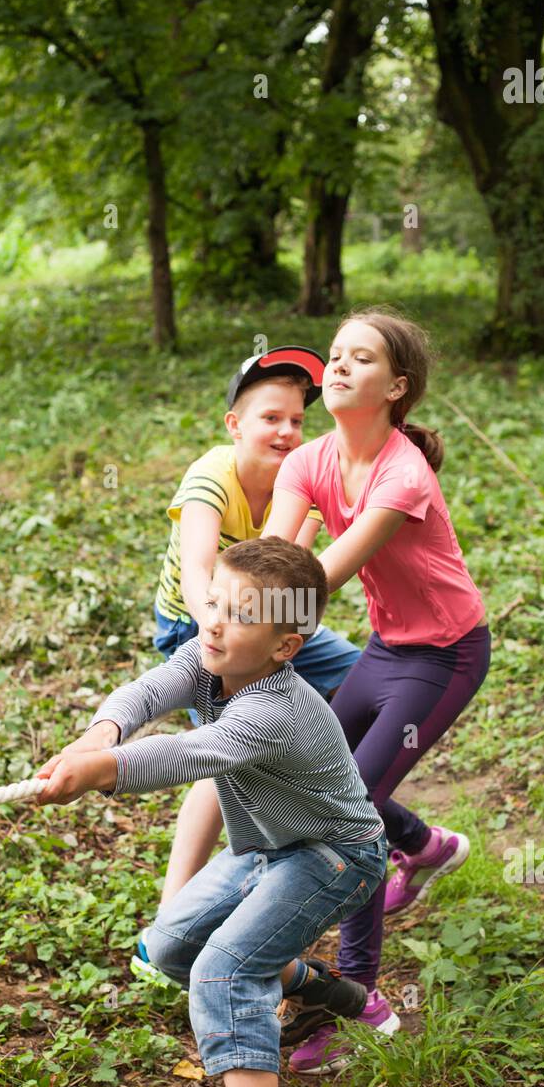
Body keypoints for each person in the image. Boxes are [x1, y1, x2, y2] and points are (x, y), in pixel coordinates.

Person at [35, 537, 387, 1087]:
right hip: (262, 848)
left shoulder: (275, 709)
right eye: (215, 605)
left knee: (223, 972)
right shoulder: (212, 657)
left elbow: (190, 755)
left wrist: (104, 768)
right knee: (168, 947)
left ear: (286, 644)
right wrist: (101, 731)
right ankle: (310, 985)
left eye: (240, 615)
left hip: (334, 856)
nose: (216, 624)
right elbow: (151, 691)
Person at [264, 307, 491, 1074]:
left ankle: (353, 1007)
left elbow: (320, 576)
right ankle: (425, 846)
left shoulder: (404, 472)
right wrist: (237, 623)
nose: (338, 367)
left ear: (396, 388)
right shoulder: (309, 462)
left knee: (347, 814)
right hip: (387, 647)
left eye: (360, 359)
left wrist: (265, 626)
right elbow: (277, 559)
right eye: (334, 355)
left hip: (447, 656)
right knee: (320, 777)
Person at [132, 347, 360, 981]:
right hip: (197, 619)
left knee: (360, 677)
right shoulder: (211, 474)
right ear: (235, 424)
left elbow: (290, 580)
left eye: (295, 420)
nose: (286, 431)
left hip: (270, 622)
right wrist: (220, 623)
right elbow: (201, 568)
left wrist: (280, 635)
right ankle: (173, 909)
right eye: (270, 418)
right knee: (219, 751)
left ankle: (324, 801)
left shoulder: (303, 483)